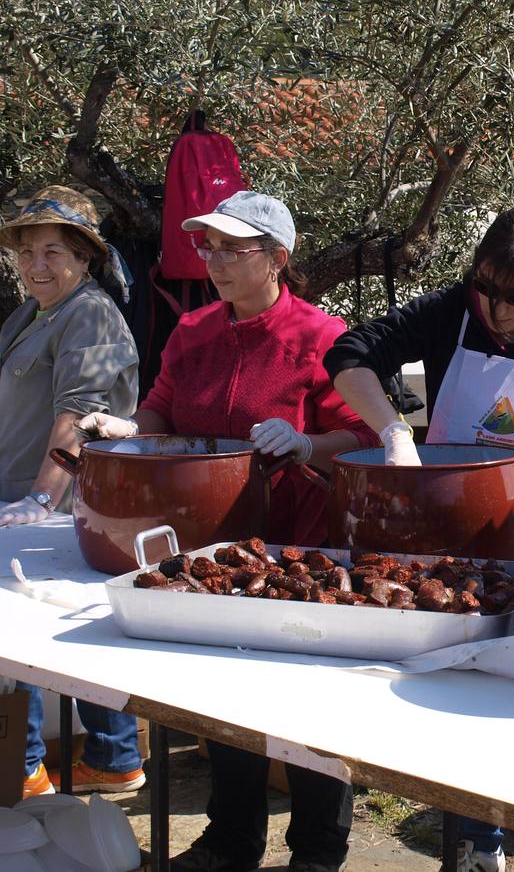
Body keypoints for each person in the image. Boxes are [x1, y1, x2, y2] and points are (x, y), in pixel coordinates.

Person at [81, 191, 375, 872]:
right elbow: (160, 410)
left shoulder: (324, 338)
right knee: (223, 699)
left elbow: (364, 435)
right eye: (208, 246)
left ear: (276, 258)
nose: (213, 260)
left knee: (307, 706)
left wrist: (306, 443)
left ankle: (317, 852)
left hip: (299, 552)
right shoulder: (193, 331)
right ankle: (231, 839)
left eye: (231, 248)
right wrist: (130, 431)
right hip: (207, 549)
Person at [325, 207, 514, 872]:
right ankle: (474, 842)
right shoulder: (450, 313)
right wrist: (393, 430)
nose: (497, 308)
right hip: (453, 533)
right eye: (485, 287)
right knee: (459, 690)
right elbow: (347, 353)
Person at [0, 185, 145, 799]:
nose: (36, 267)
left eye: (52, 251)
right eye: (27, 252)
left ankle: (27, 768)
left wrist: (39, 499)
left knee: (26, 638)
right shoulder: (33, 311)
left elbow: (79, 416)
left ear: (85, 257)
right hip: (23, 499)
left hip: (56, 507)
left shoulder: (88, 311)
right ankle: (107, 760)